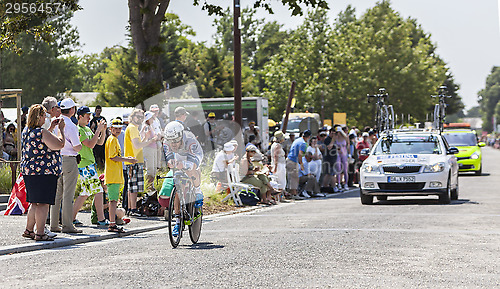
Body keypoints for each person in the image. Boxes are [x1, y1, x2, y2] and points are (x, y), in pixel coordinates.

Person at [21, 104, 65, 241]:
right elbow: (59, 144)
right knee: (43, 203)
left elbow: (41, 143)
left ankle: (29, 230)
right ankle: (40, 233)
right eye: (44, 116)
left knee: (34, 202)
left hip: (29, 171)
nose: (45, 118)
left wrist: (50, 127)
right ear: (39, 116)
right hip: (44, 171)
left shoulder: (27, 131)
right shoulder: (41, 132)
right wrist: (60, 130)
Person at [163, 121, 204, 237]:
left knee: (191, 169)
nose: (174, 144)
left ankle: (197, 191)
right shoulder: (166, 141)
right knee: (177, 189)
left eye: (176, 141)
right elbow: (169, 156)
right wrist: (171, 162)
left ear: (181, 136)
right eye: (172, 142)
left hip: (193, 154)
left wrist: (184, 165)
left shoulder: (190, 140)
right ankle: (177, 222)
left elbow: (194, 162)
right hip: (179, 156)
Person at [51, 98, 83, 234]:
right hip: (69, 159)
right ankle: (67, 224)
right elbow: (77, 147)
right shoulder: (70, 125)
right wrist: (80, 142)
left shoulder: (56, 122)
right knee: (68, 194)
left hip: (57, 158)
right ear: (72, 110)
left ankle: (53, 224)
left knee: (57, 194)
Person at [72, 106, 107, 226]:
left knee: (84, 193)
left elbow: (100, 142)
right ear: (80, 116)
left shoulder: (86, 129)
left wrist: (102, 131)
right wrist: (98, 130)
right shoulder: (78, 130)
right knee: (99, 191)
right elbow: (91, 145)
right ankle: (101, 219)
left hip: (89, 164)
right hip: (84, 164)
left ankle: (71, 217)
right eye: (87, 116)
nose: (89, 118)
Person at [105, 118, 137, 233]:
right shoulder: (112, 139)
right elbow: (113, 157)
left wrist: (126, 159)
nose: (118, 130)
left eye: (119, 128)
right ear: (111, 129)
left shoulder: (114, 139)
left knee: (114, 200)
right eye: (115, 128)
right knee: (113, 201)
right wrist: (127, 160)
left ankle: (113, 223)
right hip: (113, 175)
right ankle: (112, 224)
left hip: (115, 175)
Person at [124, 109, 157, 216]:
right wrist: (150, 141)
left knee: (132, 187)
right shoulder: (133, 128)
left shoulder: (133, 128)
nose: (139, 119)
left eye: (141, 117)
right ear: (132, 117)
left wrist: (146, 138)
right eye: (137, 116)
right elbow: (137, 145)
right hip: (134, 161)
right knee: (133, 187)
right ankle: (133, 209)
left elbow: (137, 145)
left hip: (134, 160)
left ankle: (130, 209)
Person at [286, 129, 312, 199]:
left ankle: (291, 193)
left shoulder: (298, 140)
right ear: (309, 137)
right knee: (294, 178)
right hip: (293, 161)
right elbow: (300, 155)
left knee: (291, 178)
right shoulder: (303, 143)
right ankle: (294, 194)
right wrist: (301, 164)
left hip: (289, 160)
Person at [141, 111, 159, 192]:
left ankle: (151, 186)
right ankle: (149, 187)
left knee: (153, 168)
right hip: (149, 149)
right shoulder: (145, 127)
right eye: (151, 117)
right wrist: (153, 139)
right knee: (150, 169)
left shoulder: (150, 126)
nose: (153, 119)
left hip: (153, 149)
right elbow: (144, 140)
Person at [89, 105, 107, 170]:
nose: (98, 112)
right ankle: (97, 167)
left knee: (103, 155)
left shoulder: (103, 119)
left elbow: (106, 128)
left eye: (100, 110)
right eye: (97, 110)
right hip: (95, 139)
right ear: (95, 110)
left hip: (102, 139)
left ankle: (103, 167)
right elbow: (90, 130)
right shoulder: (93, 120)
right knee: (96, 155)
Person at [322, 127, 338, 192]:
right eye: (332, 133)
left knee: (331, 174)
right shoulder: (328, 140)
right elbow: (329, 147)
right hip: (328, 159)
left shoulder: (334, 140)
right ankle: (327, 186)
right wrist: (333, 140)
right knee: (329, 174)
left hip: (333, 158)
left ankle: (329, 186)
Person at [335, 126, 349, 191]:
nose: (338, 133)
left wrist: (349, 154)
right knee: (338, 168)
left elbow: (348, 144)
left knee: (345, 169)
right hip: (338, 153)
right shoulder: (335, 138)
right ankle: (339, 183)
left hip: (344, 153)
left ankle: (346, 183)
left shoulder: (345, 137)